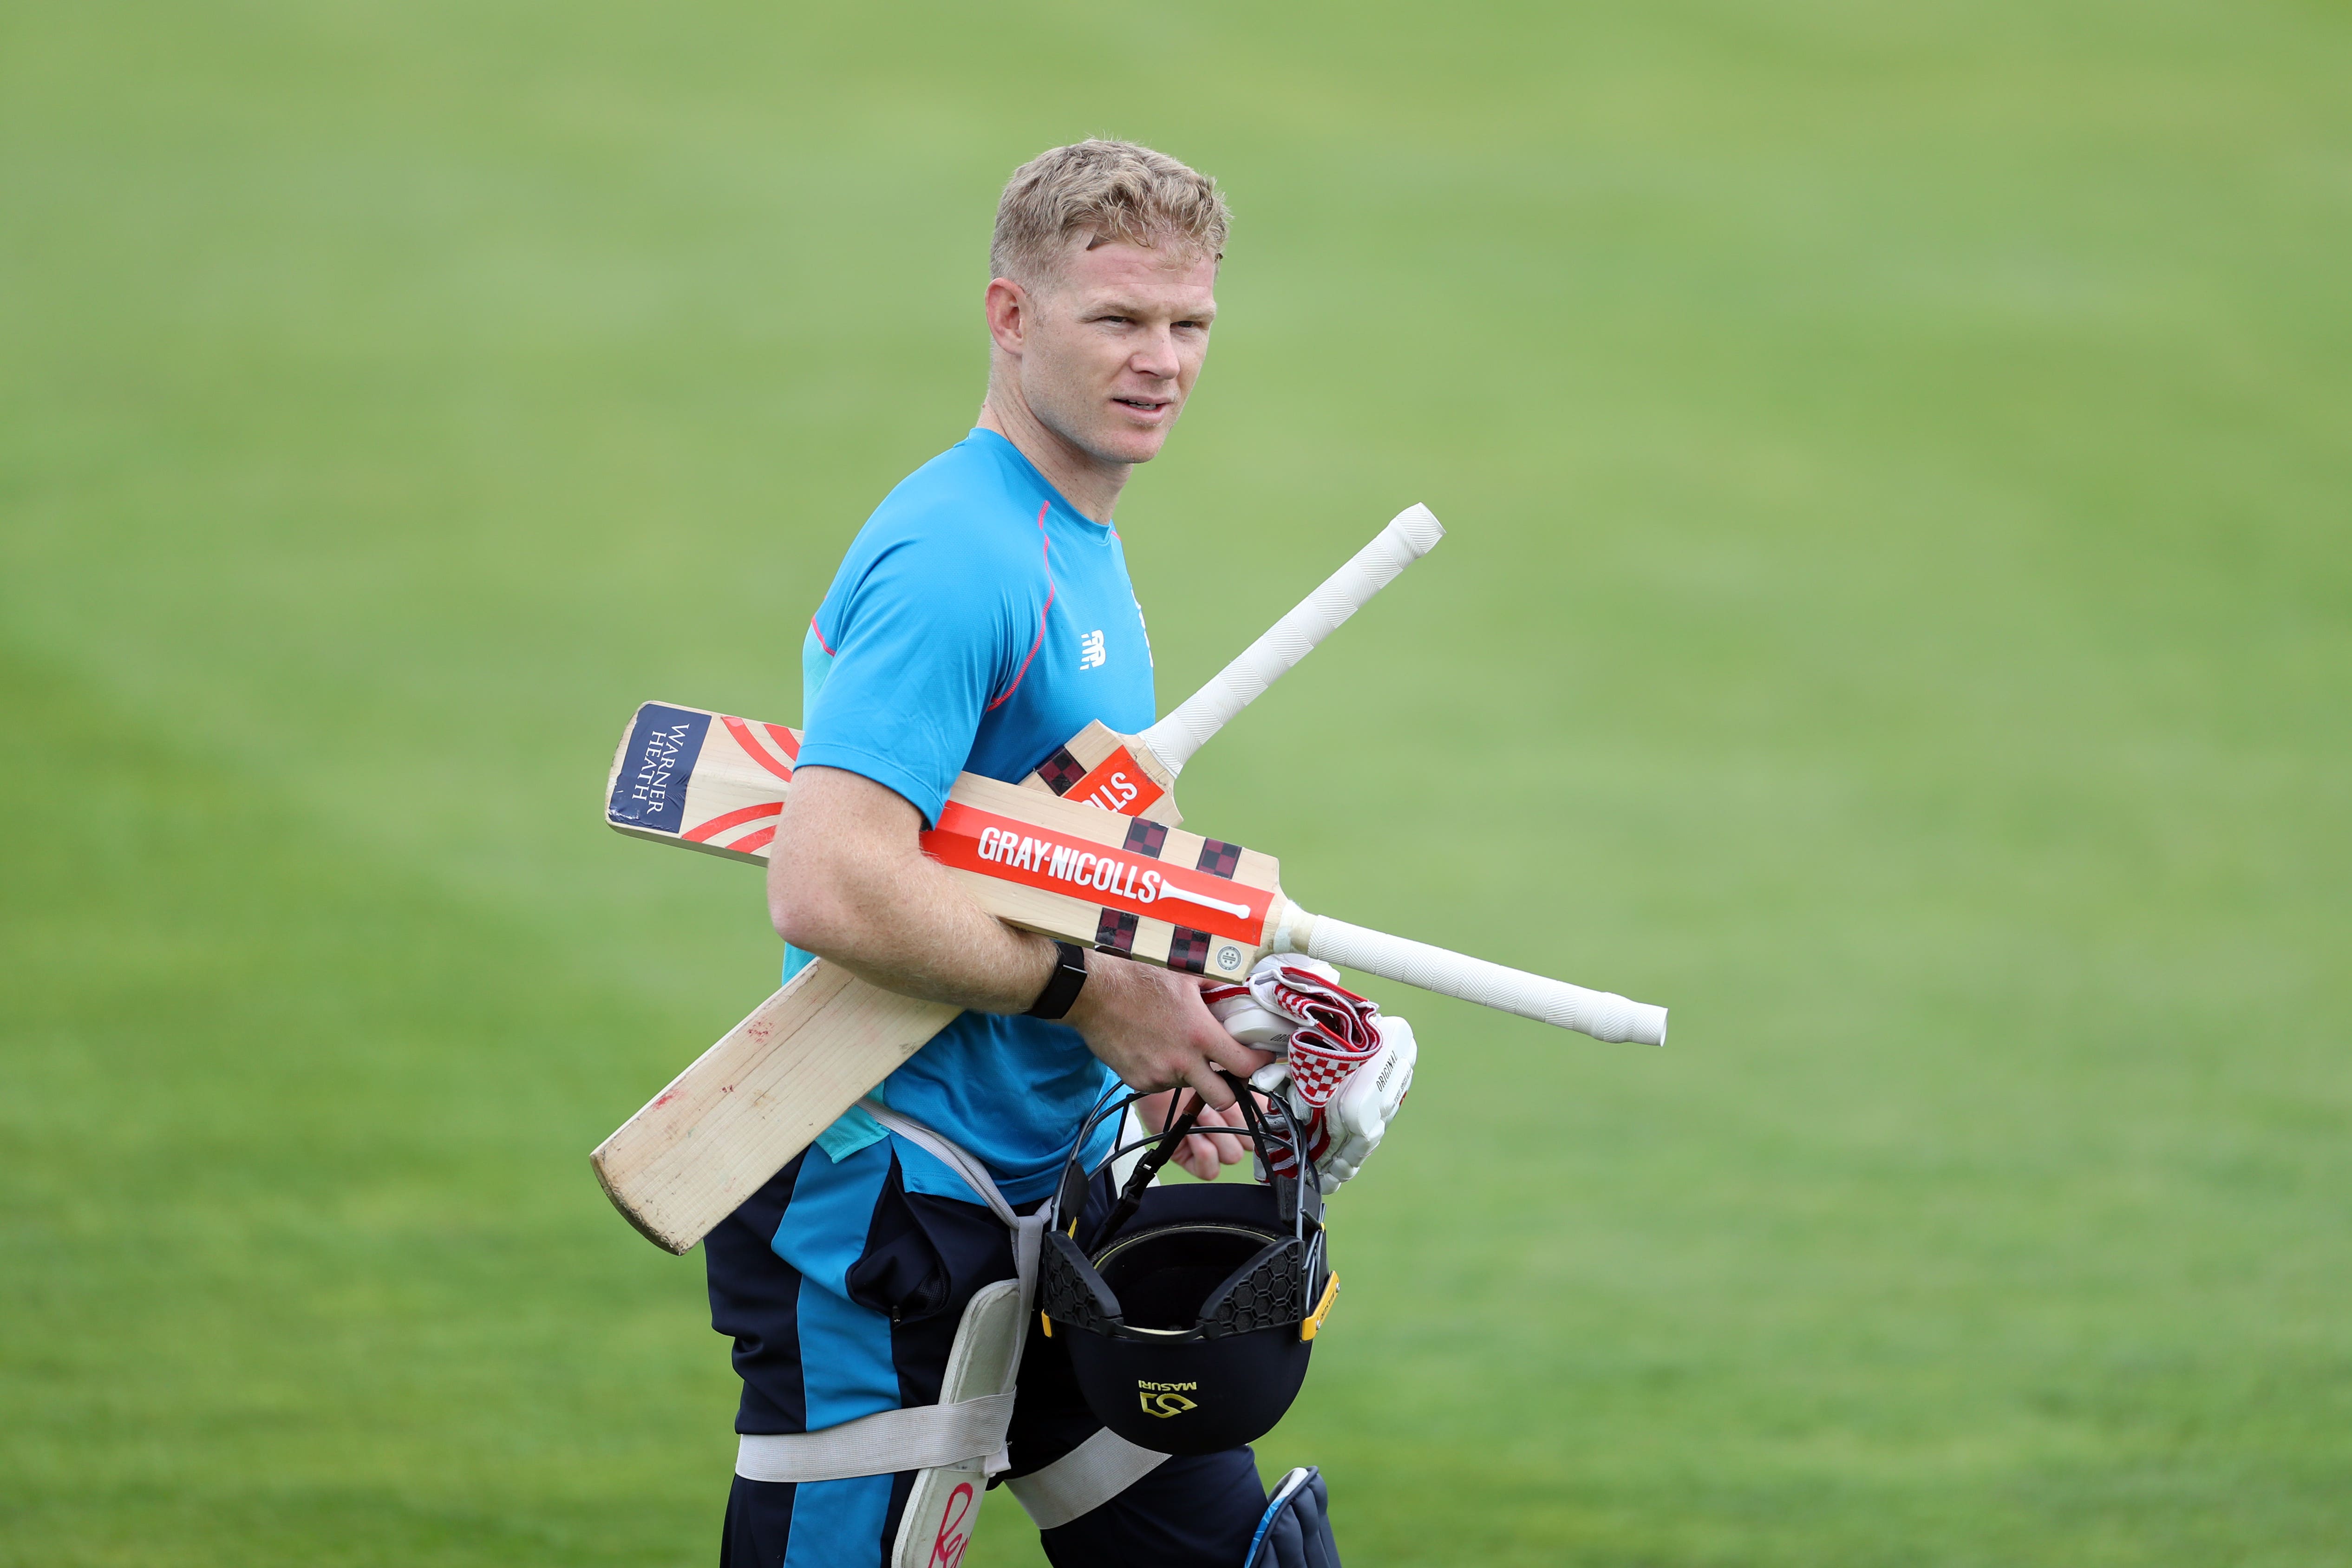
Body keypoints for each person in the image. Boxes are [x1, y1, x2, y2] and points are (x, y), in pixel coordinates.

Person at [706, 139, 1308, 1568]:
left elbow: (1049, 865)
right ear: (1010, 315)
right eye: (1117, 319)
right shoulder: (958, 558)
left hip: (1039, 1183)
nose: (1160, 359)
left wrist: (1182, 1015)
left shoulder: (1073, 539)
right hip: (893, 1206)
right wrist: (1093, 1002)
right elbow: (833, 875)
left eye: (1188, 324)